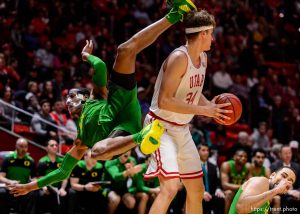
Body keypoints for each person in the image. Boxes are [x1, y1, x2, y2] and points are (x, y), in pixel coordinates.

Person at [9, 0, 193, 198]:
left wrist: (86, 56)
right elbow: (63, 171)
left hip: (121, 99)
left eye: (72, 95)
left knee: (125, 50)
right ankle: (144, 135)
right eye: (67, 99)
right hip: (123, 130)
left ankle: (176, 14)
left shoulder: (96, 95)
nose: (69, 101)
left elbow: (101, 67)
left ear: (85, 96)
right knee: (95, 152)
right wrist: (31, 186)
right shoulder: (80, 139)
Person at [144, 8, 233, 214]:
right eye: (211, 33)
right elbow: (165, 101)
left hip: (181, 129)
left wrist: (210, 105)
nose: (212, 38)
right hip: (160, 127)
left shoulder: (202, 57)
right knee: (171, 187)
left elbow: (193, 92)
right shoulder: (179, 58)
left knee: (196, 189)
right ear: (203, 34)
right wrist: (204, 110)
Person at [229, 166, 296, 213]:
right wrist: (277, 190)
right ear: (272, 175)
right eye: (283, 176)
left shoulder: (268, 196)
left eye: (289, 181)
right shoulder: (262, 181)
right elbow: (241, 208)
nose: (284, 182)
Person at [0, 138, 37, 214]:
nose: (23, 149)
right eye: (21, 146)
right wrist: (10, 181)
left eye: (25, 147)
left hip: (24, 188)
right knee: (1, 192)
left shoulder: (31, 161)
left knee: (34, 193)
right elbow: (1, 176)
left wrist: (35, 184)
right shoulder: (8, 159)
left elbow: (33, 178)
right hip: (9, 187)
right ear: (16, 146)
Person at [36, 139, 68, 214]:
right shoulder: (42, 161)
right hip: (47, 187)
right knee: (41, 195)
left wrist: (63, 189)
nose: (55, 147)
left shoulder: (62, 161)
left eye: (56, 145)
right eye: (52, 145)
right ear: (46, 148)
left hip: (59, 188)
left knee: (66, 194)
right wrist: (44, 187)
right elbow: (41, 177)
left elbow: (65, 177)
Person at [220, 149, 251, 213]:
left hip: (241, 191)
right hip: (226, 191)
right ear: (234, 157)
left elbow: (251, 183)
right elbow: (224, 185)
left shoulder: (248, 167)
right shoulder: (226, 165)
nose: (243, 158)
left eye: (245, 157)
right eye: (240, 156)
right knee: (229, 193)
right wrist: (242, 186)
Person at [199, 143, 225, 214]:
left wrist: (218, 189)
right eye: (203, 150)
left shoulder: (213, 167)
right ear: (197, 152)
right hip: (199, 193)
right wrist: (202, 193)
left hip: (211, 194)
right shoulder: (194, 166)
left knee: (220, 199)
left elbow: (217, 182)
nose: (206, 152)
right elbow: (192, 184)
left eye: (207, 150)